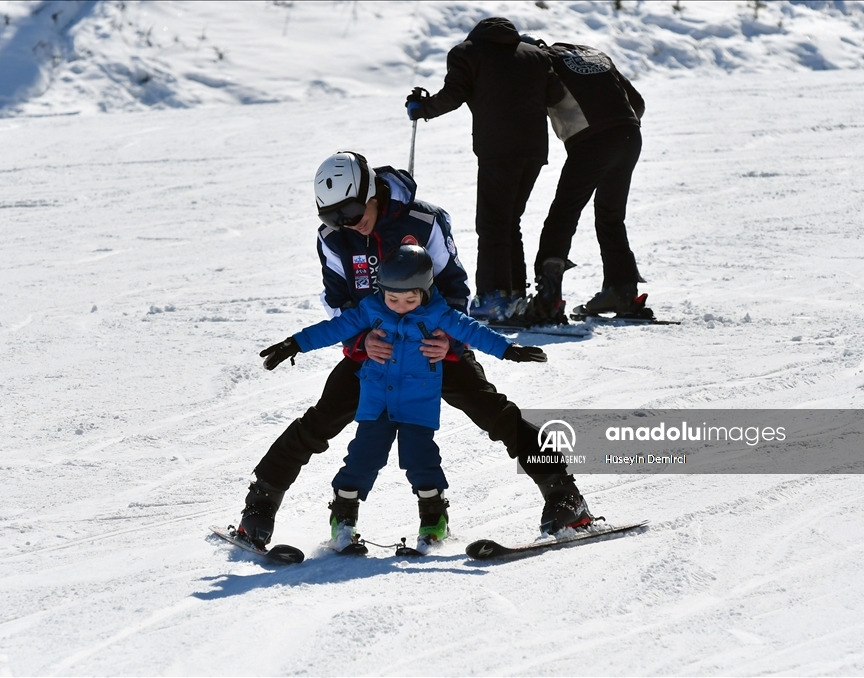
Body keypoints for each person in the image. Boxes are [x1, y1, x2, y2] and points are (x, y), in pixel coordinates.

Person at [237, 151, 593, 548]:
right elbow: (337, 301)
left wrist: (449, 341)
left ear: (371, 191)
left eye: (353, 210)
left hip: (432, 348)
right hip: (376, 354)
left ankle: (565, 497)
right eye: (333, 216)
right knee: (319, 422)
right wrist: (360, 341)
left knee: (496, 414)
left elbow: (455, 287)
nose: (348, 223)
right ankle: (259, 505)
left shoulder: (425, 221)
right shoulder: (333, 238)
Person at [258, 245, 547, 551]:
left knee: (421, 459)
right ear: (381, 290)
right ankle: (343, 522)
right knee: (363, 458)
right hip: (377, 402)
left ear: (426, 291)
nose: (400, 306)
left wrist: (508, 350)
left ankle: (434, 521)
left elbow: (472, 331)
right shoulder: (371, 310)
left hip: (417, 403)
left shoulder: (438, 314)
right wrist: (295, 344)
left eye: (411, 299)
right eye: (393, 298)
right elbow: (333, 329)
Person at [405, 17, 564, 322]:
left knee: (492, 223)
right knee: (508, 221)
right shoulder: (536, 55)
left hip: (498, 150)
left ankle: (493, 298)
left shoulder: (467, 52)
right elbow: (554, 95)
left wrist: (421, 108)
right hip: (533, 151)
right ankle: (514, 294)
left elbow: (454, 94)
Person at [520, 38, 649, 323]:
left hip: (592, 141)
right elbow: (636, 102)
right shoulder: (593, 54)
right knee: (610, 216)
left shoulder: (541, 63)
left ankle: (547, 299)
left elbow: (544, 98)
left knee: (563, 214)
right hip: (629, 134)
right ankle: (622, 291)